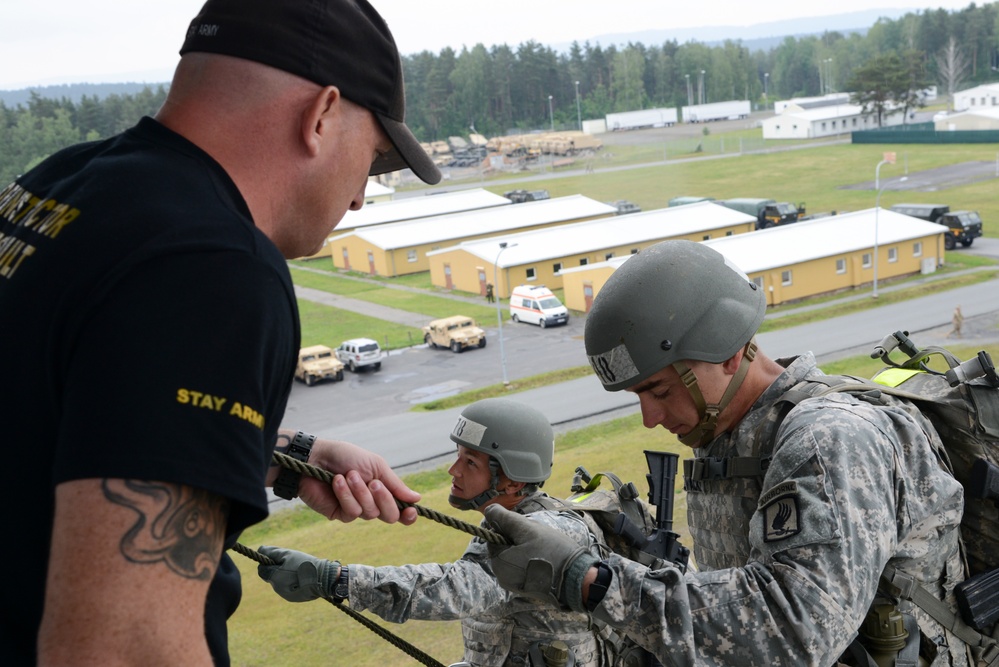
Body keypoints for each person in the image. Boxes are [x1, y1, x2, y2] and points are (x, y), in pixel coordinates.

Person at [0, 1, 441, 665]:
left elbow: (59, 413)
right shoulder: (216, 265)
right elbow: (125, 648)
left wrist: (283, 454)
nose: (357, 199)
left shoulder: (61, 187)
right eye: (373, 157)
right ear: (320, 114)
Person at [482, 240, 975, 666]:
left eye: (659, 391)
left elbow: (793, 632)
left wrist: (589, 580)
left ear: (729, 352)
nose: (650, 419)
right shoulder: (734, 439)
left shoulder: (832, 440)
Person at [256, 398, 606, 667]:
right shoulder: (509, 520)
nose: (453, 470)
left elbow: (454, 589)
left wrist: (333, 578)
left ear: (512, 479)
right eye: (458, 455)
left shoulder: (542, 536)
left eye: (470, 462)